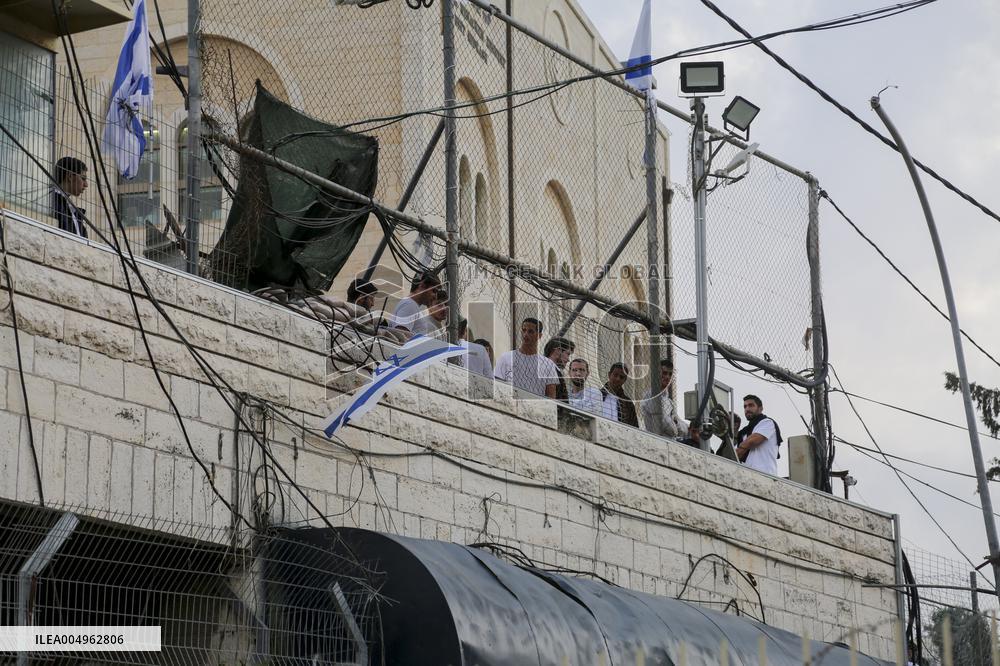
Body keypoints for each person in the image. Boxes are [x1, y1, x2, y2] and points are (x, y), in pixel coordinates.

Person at [493, 318, 558, 398]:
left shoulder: (548, 364)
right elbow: (497, 387)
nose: (525, 334)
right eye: (524, 330)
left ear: (539, 335)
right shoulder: (505, 358)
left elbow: (551, 395)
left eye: (530, 331)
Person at [736, 394, 783, 475]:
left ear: (760, 408)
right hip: (748, 474)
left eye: (751, 405)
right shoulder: (744, 432)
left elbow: (752, 441)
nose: (747, 409)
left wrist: (740, 449)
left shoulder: (767, 422)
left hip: (765, 474)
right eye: (745, 406)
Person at [640, 359, 688, 438]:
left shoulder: (670, 402)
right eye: (664, 373)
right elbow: (664, 422)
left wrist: (675, 423)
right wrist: (675, 423)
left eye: (670, 374)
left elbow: (684, 429)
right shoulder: (650, 396)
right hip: (654, 439)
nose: (667, 377)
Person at [392, 271, 440, 336]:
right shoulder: (409, 305)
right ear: (422, 285)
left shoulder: (410, 304)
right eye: (434, 291)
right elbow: (400, 336)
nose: (435, 296)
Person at [51, 156, 88, 238]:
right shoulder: (51, 202)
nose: (86, 185)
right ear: (70, 176)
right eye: (83, 178)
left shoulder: (69, 208)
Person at [601, 362, 639, 427]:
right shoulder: (597, 395)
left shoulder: (628, 403)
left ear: (625, 380)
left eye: (621, 377)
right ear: (609, 375)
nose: (618, 379)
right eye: (615, 375)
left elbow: (634, 427)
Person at [542, 336, 574, 401]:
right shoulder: (548, 369)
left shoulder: (547, 367)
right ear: (558, 350)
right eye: (568, 354)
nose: (568, 359)